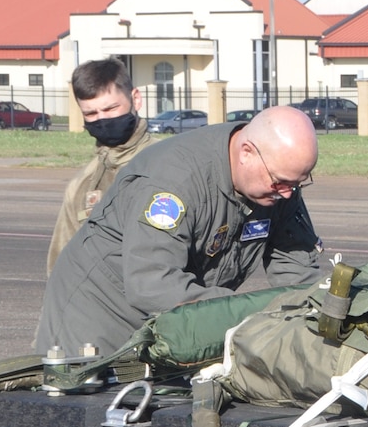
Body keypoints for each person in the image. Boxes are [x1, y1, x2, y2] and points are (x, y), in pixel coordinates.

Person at [35, 106, 326, 357]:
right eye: (280, 182)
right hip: (96, 321)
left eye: (298, 183)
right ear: (246, 153)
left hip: (172, 326)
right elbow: (152, 283)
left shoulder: (279, 185)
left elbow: (300, 275)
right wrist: (246, 316)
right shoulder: (174, 181)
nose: (288, 194)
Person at [47, 59, 158, 274]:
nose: (102, 119)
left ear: (135, 99)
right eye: (91, 114)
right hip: (103, 304)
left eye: (111, 108)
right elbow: (62, 266)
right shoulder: (82, 186)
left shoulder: (171, 161)